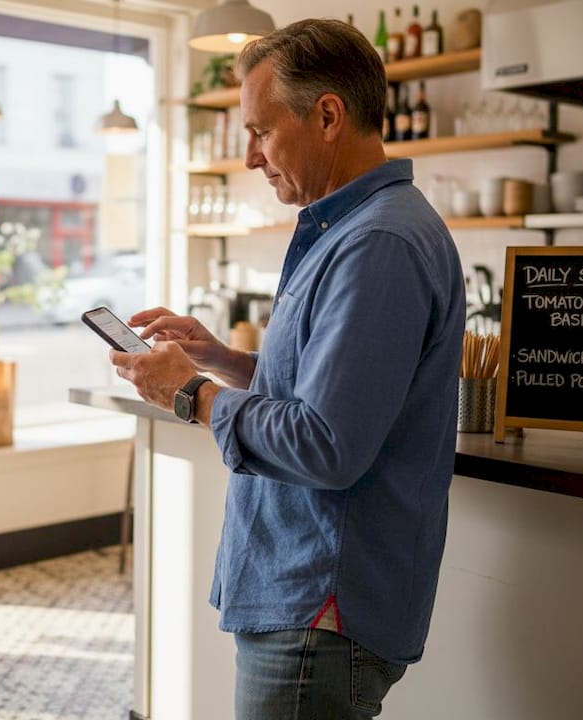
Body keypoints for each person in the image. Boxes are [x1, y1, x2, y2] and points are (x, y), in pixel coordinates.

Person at [109, 18, 465, 719]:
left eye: (261, 131)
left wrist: (191, 393)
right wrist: (220, 358)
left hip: (319, 603)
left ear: (327, 115)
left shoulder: (378, 245)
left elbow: (325, 444)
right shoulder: (356, 229)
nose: (249, 158)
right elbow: (326, 389)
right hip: (305, 597)